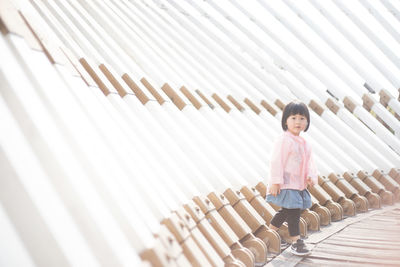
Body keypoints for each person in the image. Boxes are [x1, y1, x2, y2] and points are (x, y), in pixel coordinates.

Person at [266, 101, 318, 256]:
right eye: (293, 118)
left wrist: (311, 176)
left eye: (302, 118)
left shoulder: (304, 142)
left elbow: (309, 162)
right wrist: (275, 181)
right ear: (285, 121)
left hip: (299, 185)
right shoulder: (284, 140)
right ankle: (296, 241)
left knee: (286, 211)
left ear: (307, 122)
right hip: (287, 183)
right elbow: (276, 161)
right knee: (293, 212)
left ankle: (270, 233)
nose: (298, 122)